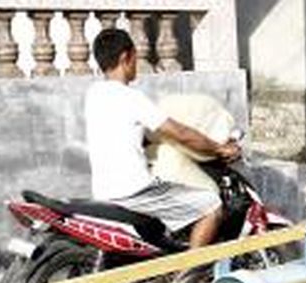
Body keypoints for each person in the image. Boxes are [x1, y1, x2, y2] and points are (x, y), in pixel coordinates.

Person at [85, 28, 241, 249]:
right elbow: (180, 133)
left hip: (104, 190)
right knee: (211, 207)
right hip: (134, 190)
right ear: (125, 57)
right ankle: (186, 277)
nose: (136, 64)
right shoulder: (131, 97)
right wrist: (219, 149)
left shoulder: (94, 94)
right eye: (135, 58)